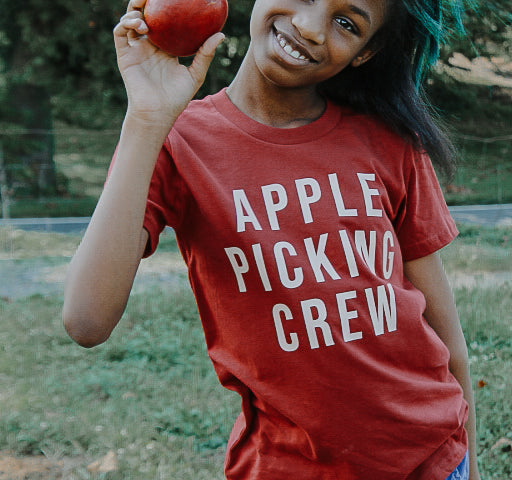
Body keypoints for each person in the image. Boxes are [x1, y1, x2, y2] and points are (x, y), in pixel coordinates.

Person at [63, 0, 480, 478]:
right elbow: (85, 320)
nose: (310, 28)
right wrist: (145, 119)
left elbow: (449, 342)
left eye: (346, 23)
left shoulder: (390, 140)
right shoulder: (176, 141)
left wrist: (471, 464)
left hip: (433, 460)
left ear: (367, 51)